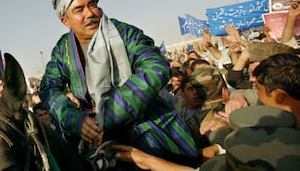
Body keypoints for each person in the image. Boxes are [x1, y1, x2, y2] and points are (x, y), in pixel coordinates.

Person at [39, 0, 199, 167]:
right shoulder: (62, 51)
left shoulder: (124, 33)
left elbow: (155, 67)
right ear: (66, 21)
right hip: (96, 139)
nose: (90, 13)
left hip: (149, 131)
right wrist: (76, 120)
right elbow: (48, 89)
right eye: (79, 10)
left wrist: (108, 116)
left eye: (92, 5)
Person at [112, 53, 300, 171]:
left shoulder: (283, 146)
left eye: (257, 89)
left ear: (279, 95)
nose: (254, 93)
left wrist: (149, 161)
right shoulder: (265, 119)